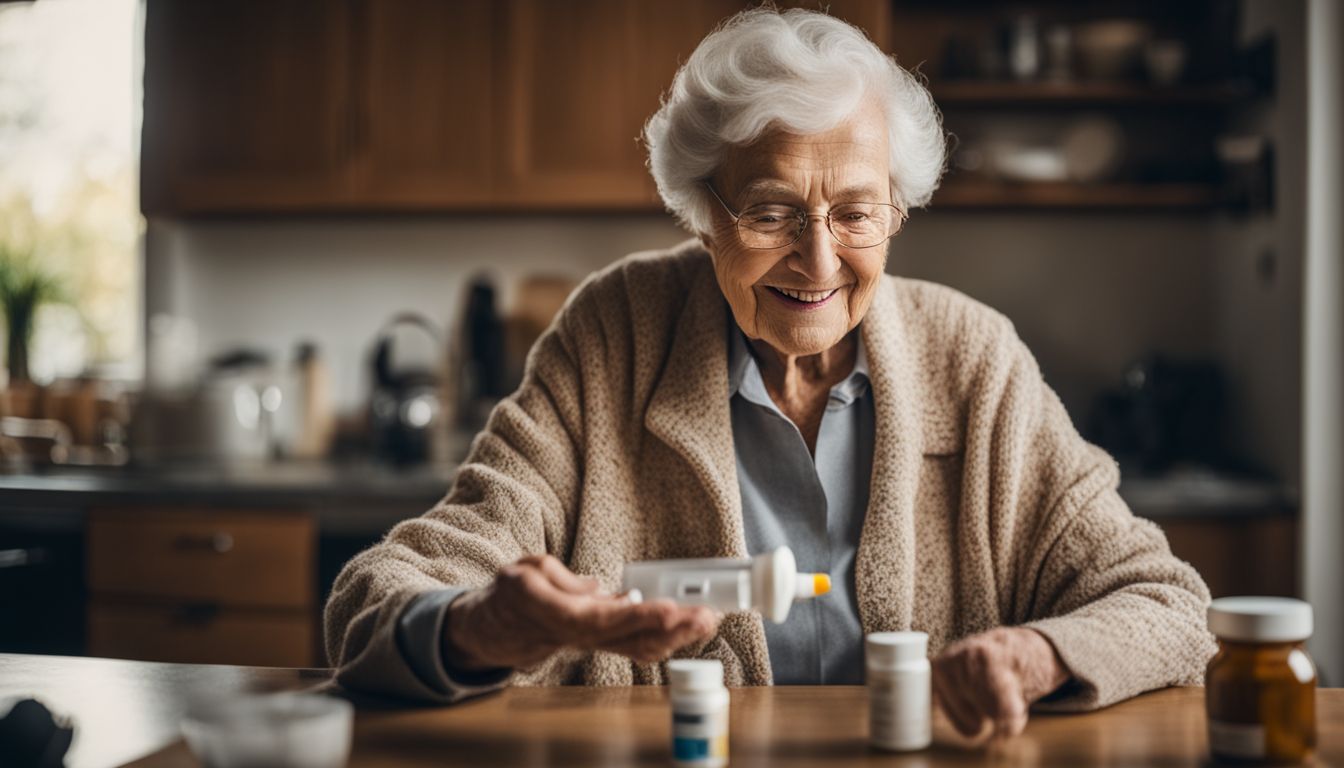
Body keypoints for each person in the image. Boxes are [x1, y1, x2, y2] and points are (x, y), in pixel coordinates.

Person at [324, 7, 1215, 738]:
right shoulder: (612, 336)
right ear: (701, 213)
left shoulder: (973, 359)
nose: (818, 260)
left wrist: (1038, 656)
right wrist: (484, 628)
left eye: (856, 212)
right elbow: (377, 599)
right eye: (772, 211)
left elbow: (1167, 603)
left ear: (897, 212)